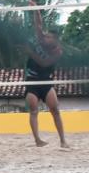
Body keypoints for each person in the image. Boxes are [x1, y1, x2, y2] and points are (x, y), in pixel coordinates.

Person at [25, 10, 67, 148]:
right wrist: (36, 9)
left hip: (46, 81)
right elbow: (38, 24)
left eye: (49, 37)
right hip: (32, 80)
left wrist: (30, 52)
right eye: (46, 36)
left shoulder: (58, 51)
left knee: (55, 110)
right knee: (33, 109)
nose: (45, 38)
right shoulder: (41, 40)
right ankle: (37, 140)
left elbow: (45, 63)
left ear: (55, 40)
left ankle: (63, 140)